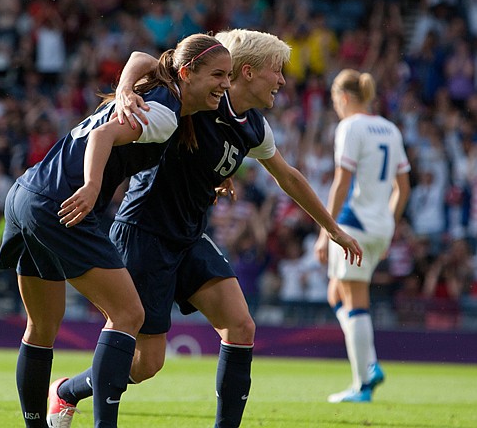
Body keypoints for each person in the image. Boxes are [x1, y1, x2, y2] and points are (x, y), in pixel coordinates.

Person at [49, 29, 362, 427]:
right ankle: (65, 392)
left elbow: (289, 177)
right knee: (147, 365)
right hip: (145, 231)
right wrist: (127, 92)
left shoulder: (253, 127)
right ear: (247, 72)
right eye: (276, 71)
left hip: (189, 236)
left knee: (241, 325)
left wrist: (332, 227)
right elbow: (147, 60)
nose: (283, 81)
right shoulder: (199, 94)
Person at [0, 33, 231, 427]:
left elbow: (140, 55)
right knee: (128, 314)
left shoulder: (159, 89)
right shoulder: (165, 112)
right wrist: (90, 186)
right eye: (218, 75)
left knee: (42, 327)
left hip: (26, 193)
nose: (225, 85)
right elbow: (102, 136)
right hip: (62, 204)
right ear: (187, 73)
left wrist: (123, 88)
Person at [313, 68, 411, 403]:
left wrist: (327, 231)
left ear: (341, 98)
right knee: (335, 295)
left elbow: (342, 181)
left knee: (355, 300)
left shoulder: (350, 126)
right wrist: (388, 224)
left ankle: (362, 383)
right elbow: (404, 187)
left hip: (352, 223)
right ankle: (368, 364)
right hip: (380, 225)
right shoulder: (390, 128)